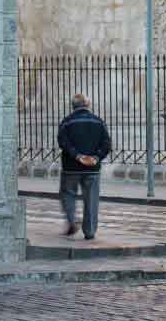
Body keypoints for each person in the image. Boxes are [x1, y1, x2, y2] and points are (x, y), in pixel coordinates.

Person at [57, 94, 112, 239]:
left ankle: (71, 220)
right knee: (91, 200)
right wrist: (96, 157)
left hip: (71, 167)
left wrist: (77, 156)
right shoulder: (98, 122)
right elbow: (106, 144)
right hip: (92, 168)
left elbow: (63, 142)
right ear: (88, 104)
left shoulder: (66, 122)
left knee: (68, 194)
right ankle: (90, 231)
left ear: (73, 106)